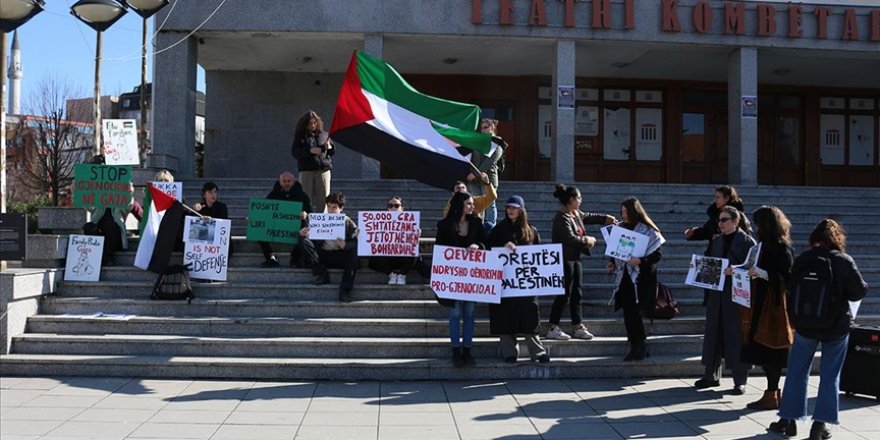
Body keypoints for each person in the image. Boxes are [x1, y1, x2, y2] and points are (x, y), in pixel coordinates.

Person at [769, 219, 867, 439]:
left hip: (804, 325)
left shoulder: (804, 259)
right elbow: (858, 291)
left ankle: (788, 420)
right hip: (835, 327)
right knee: (830, 376)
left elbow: (791, 288)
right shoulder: (843, 260)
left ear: (814, 238)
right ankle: (820, 425)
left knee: (796, 372)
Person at [695, 206, 755, 393]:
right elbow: (710, 262)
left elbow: (753, 268)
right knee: (713, 334)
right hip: (716, 293)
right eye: (719, 220)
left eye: (724, 220)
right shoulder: (717, 241)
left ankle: (740, 380)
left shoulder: (748, 242)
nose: (720, 223)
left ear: (735, 221)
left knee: (736, 336)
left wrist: (735, 270)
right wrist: (698, 267)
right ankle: (710, 375)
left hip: (737, 295)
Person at [741, 205, 795, 411]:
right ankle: (772, 393)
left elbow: (787, 277)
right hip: (759, 302)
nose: (756, 228)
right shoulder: (761, 245)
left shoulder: (782, 247)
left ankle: (773, 393)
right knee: (762, 349)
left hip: (774, 306)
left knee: (772, 349)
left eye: (759, 224)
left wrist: (763, 274)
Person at [547, 183, 616, 340]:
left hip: (575, 258)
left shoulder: (575, 214)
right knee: (564, 293)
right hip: (564, 259)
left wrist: (605, 219)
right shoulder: (561, 217)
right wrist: (588, 239)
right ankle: (553, 327)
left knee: (577, 293)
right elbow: (569, 238)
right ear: (571, 200)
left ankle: (577, 326)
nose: (580, 201)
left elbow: (588, 216)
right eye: (579, 198)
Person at [488, 195, 549, 364]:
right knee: (505, 317)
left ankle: (537, 352)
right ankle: (509, 352)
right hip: (505, 284)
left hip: (525, 284)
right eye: (508, 207)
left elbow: (538, 257)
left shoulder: (532, 231)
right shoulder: (498, 230)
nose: (511, 210)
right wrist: (503, 247)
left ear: (521, 210)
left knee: (530, 316)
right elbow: (489, 251)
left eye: (514, 207)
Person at [607, 197, 664, 361]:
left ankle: (640, 344)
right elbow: (615, 251)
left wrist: (640, 261)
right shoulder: (620, 228)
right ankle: (635, 343)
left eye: (626, 212)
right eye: (621, 212)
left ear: (634, 212)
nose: (623, 215)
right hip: (624, 276)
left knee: (634, 311)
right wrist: (611, 263)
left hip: (641, 277)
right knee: (627, 311)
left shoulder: (647, 230)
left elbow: (657, 254)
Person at [436, 191, 487, 367]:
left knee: (470, 313)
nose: (473, 207)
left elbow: (485, 244)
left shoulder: (476, 223)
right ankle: (455, 350)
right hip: (453, 278)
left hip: (472, 278)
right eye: (469, 204)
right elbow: (439, 249)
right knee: (455, 313)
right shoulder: (444, 225)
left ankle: (467, 350)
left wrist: (478, 246)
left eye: (472, 204)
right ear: (460, 206)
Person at [257, 171, 317, 269]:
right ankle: (270, 257)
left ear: (293, 181)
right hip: (277, 226)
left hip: (296, 226)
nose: (286, 183)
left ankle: (295, 259)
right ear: (279, 182)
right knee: (258, 229)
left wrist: (305, 215)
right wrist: (255, 218)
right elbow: (264, 210)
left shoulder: (302, 195)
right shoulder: (273, 194)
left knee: (304, 232)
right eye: (284, 181)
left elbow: (310, 213)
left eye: (289, 181)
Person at [311, 192, 359, 302]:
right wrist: (306, 233)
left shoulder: (348, 222)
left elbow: (356, 241)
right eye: (328, 207)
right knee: (304, 241)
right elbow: (312, 242)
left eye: (334, 207)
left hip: (339, 255)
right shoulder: (319, 220)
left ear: (341, 208)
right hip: (322, 256)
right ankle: (321, 273)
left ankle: (345, 289)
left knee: (354, 252)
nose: (331, 210)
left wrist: (346, 245)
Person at [84, 183, 142, 266]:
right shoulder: (98, 198)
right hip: (101, 234)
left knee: (110, 225)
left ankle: (108, 258)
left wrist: (129, 192)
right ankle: (101, 257)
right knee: (88, 227)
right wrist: (76, 192)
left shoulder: (120, 200)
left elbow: (128, 206)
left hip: (116, 237)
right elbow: (89, 206)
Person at [368, 196, 420, 285]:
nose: (393, 208)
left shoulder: (410, 223)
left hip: (403, 257)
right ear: (387, 208)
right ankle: (391, 274)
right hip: (387, 257)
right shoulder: (379, 222)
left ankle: (402, 275)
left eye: (396, 206)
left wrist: (416, 236)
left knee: (415, 251)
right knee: (373, 256)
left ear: (402, 208)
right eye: (390, 205)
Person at [467, 118, 507, 233]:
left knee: (489, 204)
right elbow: (472, 158)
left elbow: (490, 161)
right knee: (477, 204)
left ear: (492, 128)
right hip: (474, 180)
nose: (483, 130)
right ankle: (478, 227)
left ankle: (491, 228)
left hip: (488, 179)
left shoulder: (498, 143)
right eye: (482, 128)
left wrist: (475, 174)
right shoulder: (478, 141)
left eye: (486, 127)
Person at [291, 110, 334, 213]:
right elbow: (295, 153)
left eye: (314, 122)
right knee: (306, 198)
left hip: (323, 170)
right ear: (305, 124)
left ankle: (322, 224)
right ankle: (306, 223)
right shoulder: (300, 137)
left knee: (323, 199)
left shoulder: (324, 134)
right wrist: (310, 151)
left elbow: (332, 152)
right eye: (310, 123)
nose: (313, 125)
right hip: (307, 170)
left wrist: (330, 147)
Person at [684, 185, 750, 250]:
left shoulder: (737, 216)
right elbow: (708, 231)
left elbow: (742, 236)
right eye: (715, 197)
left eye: (718, 197)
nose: (715, 200)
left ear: (727, 198)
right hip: (717, 252)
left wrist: (720, 237)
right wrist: (693, 233)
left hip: (731, 254)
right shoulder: (715, 214)